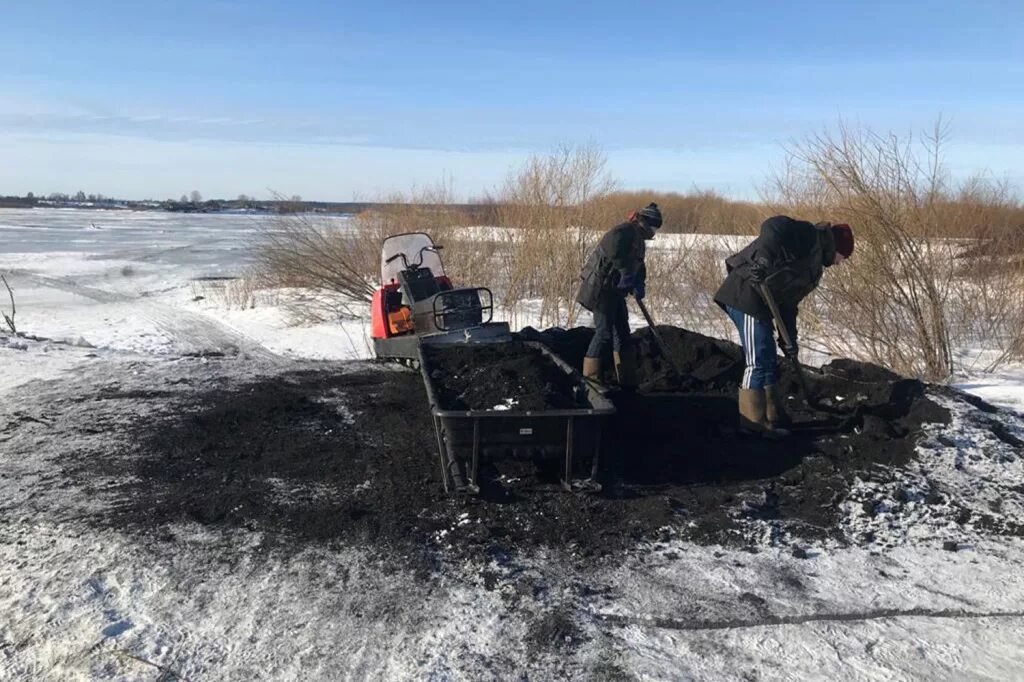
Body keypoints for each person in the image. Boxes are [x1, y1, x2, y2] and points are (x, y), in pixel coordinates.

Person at [714, 216, 854, 435]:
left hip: (761, 300)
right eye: (843, 256)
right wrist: (763, 260)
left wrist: (789, 339)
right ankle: (753, 422)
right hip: (745, 292)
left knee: (768, 356)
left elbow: (789, 304)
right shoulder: (808, 235)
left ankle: (771, 415)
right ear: (836, 246)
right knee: (758, 358)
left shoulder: (813, 269)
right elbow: (773, 226)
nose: (841, 262)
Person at [576, 203, 663, 388]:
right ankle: (591, 381)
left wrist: (639, 282)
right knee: (603, 332)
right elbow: (613, 248)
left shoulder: (638, 239)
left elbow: (638, 263)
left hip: (615, 292)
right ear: (646, 223)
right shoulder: (624, 231)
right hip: (601, 289)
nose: (654, 232)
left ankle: (627, 380)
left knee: (623, 333)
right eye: (654, 227)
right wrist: (625, 272)